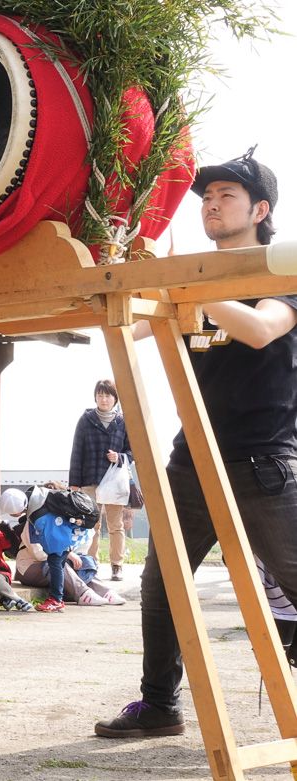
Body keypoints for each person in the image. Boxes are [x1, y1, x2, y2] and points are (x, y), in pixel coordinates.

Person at [96, 147, 297, 738]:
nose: (211, 204)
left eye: (226, 195)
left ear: (260, 209)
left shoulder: (282, 270)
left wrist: (186, 286)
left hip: (262, 458)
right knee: (162, 588)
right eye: (206, 197)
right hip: (191, 460)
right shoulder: (185, 287)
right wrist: (108, 275)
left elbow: (261, 330)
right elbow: (121, 329)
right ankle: (159, 706)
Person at [0, 489, 126, 609]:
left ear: (15, 512)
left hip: (48, 557)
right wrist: (68, 554)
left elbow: (55, 547)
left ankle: (104, 591)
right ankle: (83, 593)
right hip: (28, 567)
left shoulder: (39, 518)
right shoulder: (42, 511)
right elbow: (38, 553)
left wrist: (69, 554)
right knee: (60, 564)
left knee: (75, 562)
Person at [69, 380, 133, 581]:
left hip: (114, 482)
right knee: (91, 525)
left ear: (115, 398)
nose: (104, 399)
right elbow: (77, 452)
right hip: (90, 479)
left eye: (108, 395)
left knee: (115, 525)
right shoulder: (86, 420)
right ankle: (91, 563)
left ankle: (117, 565)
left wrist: (121, 457)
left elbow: (132, 451)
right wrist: (74, 482)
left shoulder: (123, 422)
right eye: (100, 395)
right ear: (95, 397)